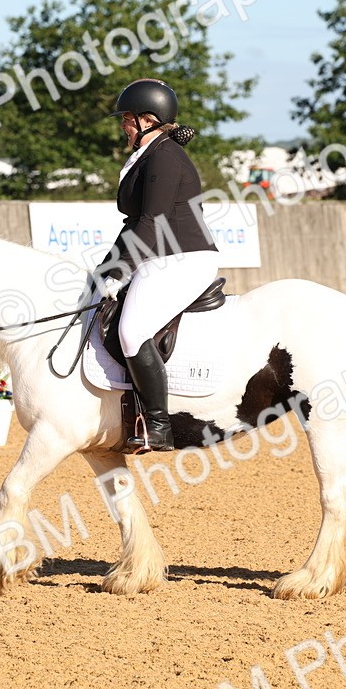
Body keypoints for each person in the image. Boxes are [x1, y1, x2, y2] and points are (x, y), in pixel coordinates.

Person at [94, 78, 220, 453]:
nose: (123, 125)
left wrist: (119, 271)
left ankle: (159, 426)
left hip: (182, 258)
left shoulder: (165, 156)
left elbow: (153, 221)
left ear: (149, 118)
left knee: (131, 332)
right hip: (160, 255)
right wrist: (104, 270)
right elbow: (133, 225)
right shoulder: (151, 152)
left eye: (128, 119)